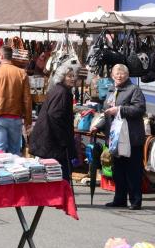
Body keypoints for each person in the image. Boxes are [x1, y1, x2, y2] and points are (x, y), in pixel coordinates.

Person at [91, 64, 147, 210]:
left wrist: (120, 110)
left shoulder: (134, 90)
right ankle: (120, 199)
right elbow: (107, 112)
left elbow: (140, 109)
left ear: (127, 75)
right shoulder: (111, 90)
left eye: (122, 73)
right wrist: (98, 125)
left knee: (133, 170)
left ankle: (135, 200)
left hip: (131, 138)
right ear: (112, 75)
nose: (119, 76)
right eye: (117, 73)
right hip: (115, 138)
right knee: (118, 171)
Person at [29, 64, 79, 183]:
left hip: (50, 140)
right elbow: (54, 115)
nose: (72, 78)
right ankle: (62, 195)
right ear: (62, 77)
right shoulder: (62, 92)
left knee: (53, 176)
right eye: (69, 76)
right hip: (53, 142)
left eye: (73, 76)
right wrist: (63, 140)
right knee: (59, 175)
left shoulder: (58, 90)